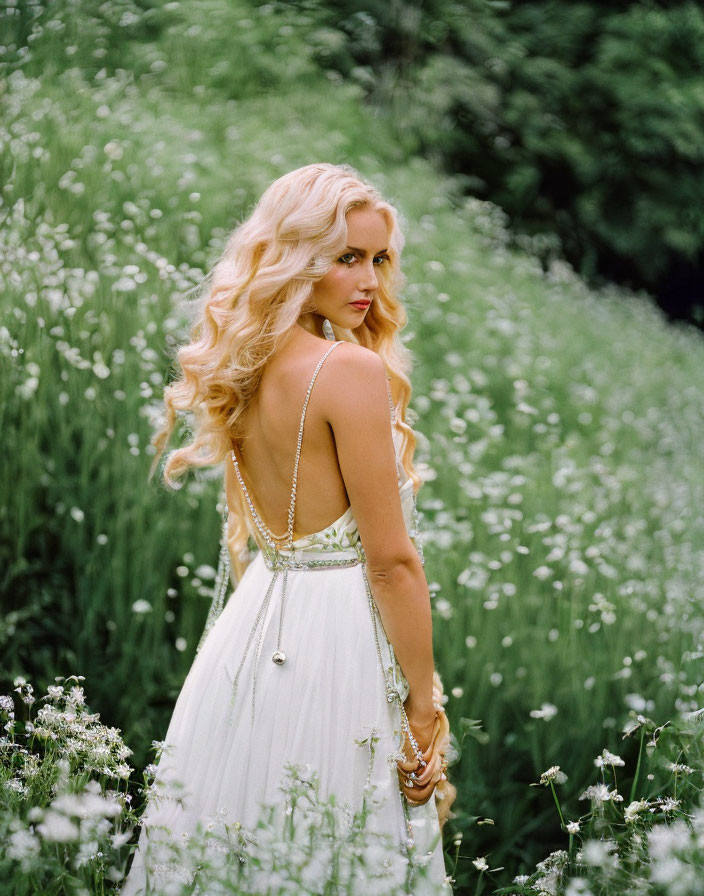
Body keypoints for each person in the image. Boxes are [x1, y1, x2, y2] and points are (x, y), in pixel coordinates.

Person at [121, 163, 456, 895]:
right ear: (299, 259)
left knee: (234, 846)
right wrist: (425, 711)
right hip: (336, 644)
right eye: (346, 258)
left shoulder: (237, 363)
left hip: (252, 637)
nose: (368, 280)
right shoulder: (347, 370)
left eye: (378, 258)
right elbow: (392, 563)